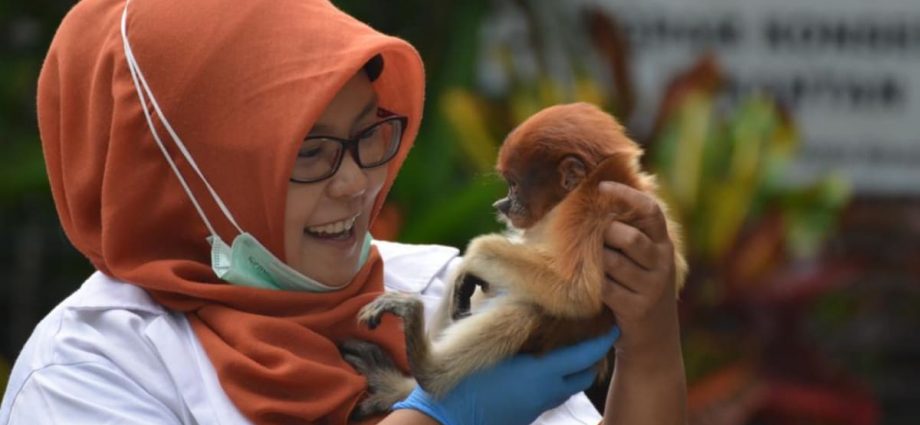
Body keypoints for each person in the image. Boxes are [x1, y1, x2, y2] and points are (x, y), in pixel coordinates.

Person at [0, 0, 687, 424]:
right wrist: (438, 417)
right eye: (308, 151)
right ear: (185, 175)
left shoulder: (435, 289)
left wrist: (649, 342)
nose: (358, 179)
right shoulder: (89, 368)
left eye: (369, 131)